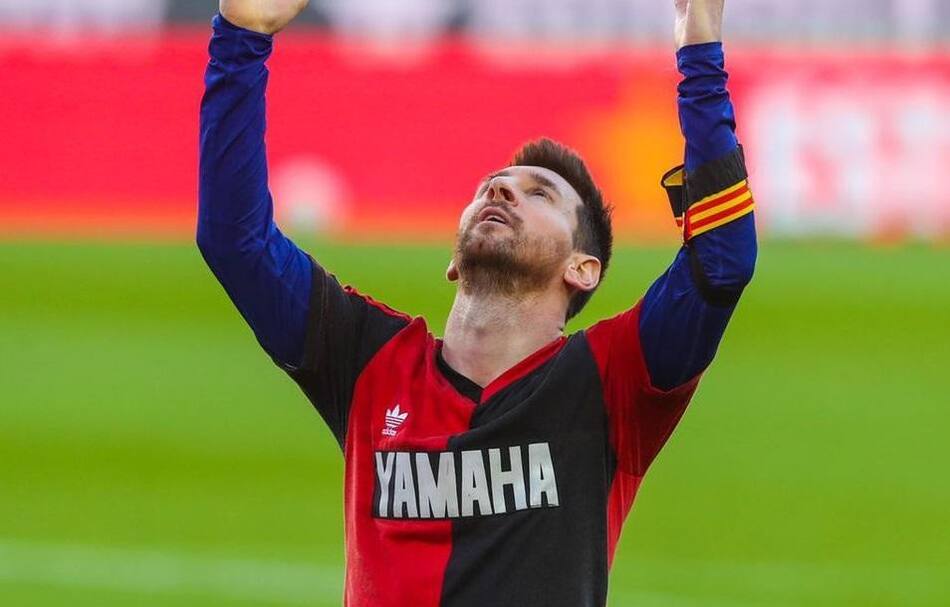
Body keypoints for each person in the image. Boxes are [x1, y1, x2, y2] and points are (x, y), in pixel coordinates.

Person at [197, 0, 756, 605]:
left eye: (538, 193)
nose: (501, 189)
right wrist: (241, 38)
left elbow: (721, 260)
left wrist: (699, 49)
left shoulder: (611, 379)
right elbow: (235, 241)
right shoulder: (367, 361)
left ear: (583, 269)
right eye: (493, 185)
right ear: (455, 261)